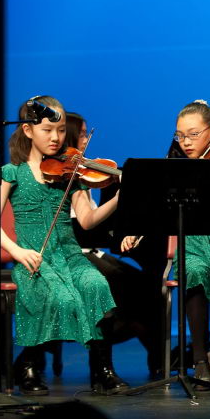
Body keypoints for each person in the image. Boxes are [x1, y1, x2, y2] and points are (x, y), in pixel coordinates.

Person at [0, 96, 129, 396]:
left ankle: (102, 370)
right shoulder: (13, 171)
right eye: (47, 130)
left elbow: (87, 221)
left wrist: (118, 198)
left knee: (96, 285)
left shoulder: (71, 172)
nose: (56, 137)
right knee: (57, 296)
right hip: (34, 257)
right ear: (27, 130)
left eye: (61, 131)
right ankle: (29, 364)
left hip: (70, 256)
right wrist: (17, 251)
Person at [121, 99, 210, 389]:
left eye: (193, 134)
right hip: (191, 244)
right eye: (180, 136)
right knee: (194, 272)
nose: (185, 142)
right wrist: (138, 231)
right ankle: (199, 361)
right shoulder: (173, 170)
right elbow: (156, 208)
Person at [64, 112, 164, 379]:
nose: (85, 140)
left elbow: (91, 226)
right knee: (118, 286)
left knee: (149, 286)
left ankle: (159, 358)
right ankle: (103, 365)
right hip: (71, 254)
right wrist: (118, 197)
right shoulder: (64, 176)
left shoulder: (81, 174)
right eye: (81, 134)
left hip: (90, 251)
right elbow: (84, 226)